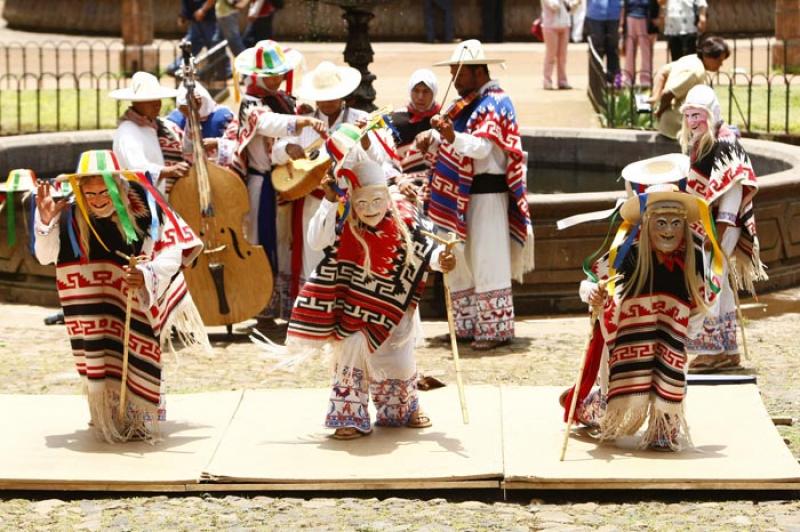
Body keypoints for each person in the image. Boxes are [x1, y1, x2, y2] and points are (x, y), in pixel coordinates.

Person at [258, 159, 455, 440]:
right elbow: (316, 240)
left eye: (377, 200)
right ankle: (349, 414)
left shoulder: (407, 218)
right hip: (353, 310)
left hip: (395, 307)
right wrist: (328, 201)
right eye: (362, 203)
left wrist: (441, 260)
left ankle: (407, 404)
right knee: (350, 353)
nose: (371, 209)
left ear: (387, 196)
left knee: (399, 361)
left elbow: (429, 249)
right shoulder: (344, 220)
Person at [33, 150, 208, 443]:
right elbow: (45, 256)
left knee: (139, 349)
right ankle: (108, 415)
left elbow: (174, 247)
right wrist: (46, 223)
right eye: (90, 194)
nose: (98, 200)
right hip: (93, 299)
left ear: (117, 185)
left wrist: (147, 274)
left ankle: (144, 418)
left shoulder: (144, 204)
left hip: (137, 294)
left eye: (104, 192)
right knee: (100, 352)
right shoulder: (67, 214)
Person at [562, 175, 721, 451]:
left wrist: (683, 332)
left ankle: (663, 420)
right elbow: (588, 283)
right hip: (626, 345)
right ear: (647, 224)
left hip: (669, 345)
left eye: (675, 223)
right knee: (606, 418)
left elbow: (703, 299)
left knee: (664, 438)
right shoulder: (627, 253)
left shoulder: (692, 254)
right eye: (661, 223)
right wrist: (594, 294)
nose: (669, 231)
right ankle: (585, 405)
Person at [418, 39, 534, 351]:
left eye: (459, 74)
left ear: (477, 70)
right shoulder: (469, 103)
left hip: (486, 193)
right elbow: (456, 141)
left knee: (487, 258)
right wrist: (433, 138)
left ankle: (495, 329)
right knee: (461, 260)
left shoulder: (496, 102)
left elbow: (482, 148)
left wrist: (450, 135)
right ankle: (466, 325)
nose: (454, 81)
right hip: (463, 192)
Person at [271, 60, 399, 317]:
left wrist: (363, 141)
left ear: (343, 95)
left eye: (332, 97)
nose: (327, 103)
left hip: (353, 204)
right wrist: (288, 149)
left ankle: (349, 313)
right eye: (322, 98)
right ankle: (313, 315)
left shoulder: (360, 120)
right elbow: (275, 152)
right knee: (314, 252)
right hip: (314, 199)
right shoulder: (305, 122)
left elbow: (381, 160)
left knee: (350, 256)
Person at [221, 40, 327, 325]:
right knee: (259, 240)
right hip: (260, 184)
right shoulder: (251, 103)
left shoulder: (285, 100)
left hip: (288, 182)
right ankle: (261, 303)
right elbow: (267, 124)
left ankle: (285, 303)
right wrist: (301, 123)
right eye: (272, 73)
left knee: (285, 242)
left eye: (280, 72)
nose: (277, 78)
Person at [679, 84, 767, 371]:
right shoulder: (704, 142)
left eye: (698, 115)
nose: (693, 121)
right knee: (721, 282)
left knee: (710, 279)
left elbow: (734, 187)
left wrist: (720, 230)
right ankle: (729, 348)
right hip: (713, 224)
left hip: (723, 224)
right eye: (689, 115)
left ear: (711, 113)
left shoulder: (725, 143)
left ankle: (711, 349)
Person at [111, 72, 191, 196]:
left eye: (158, 98)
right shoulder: (127, 132)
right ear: (135, 102)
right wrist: (169, 171)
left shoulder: (163, 125)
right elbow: (137, 168)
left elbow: (187, 147)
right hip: (141, 202)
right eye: (149, 100)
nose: (157, 104)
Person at [649, 35, 729, 139]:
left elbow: (662, 72)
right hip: (678, 127)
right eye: (719, 60)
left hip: (675, 124)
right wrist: (659, 111)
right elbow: (668, 94)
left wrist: (655, 96)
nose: (721, 65)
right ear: (708, 56)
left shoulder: (690, 59)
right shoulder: (695, 72)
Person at [387, 69, 441, 184]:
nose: (420, 97)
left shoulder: (442, 120)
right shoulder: (395, 120)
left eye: (426, 91)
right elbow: (386, 160)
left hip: (435, 182)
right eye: (416, 91)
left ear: (434, 93)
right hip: (403, 183)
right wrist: (399, 180)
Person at [166, 0, 229, 77]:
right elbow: (186, 4)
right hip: (195, 21)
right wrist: (183, 16)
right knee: (189, 46)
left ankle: (224, 71)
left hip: (210, 21)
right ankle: (177, 67)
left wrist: (203, 10)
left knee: (215, 47)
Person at [620, 0, 660, 87]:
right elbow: (624, 6)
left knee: (646, 52)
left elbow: (655, 4)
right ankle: (628, 78)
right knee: (629, 51)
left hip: (645, 19)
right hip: (630, 18)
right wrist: (621, 24)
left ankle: (645, 79)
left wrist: (655, 20)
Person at [541, 0, 578, 90]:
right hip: (550, 26)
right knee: (551, 54)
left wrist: (576, 3)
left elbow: (571, 9)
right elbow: (554, 6)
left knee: (562, 56)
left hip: (565, 25)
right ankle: (547, 80)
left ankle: (562, 81)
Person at [585, 0, 622, 83]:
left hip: (615, 14)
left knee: (613, 50)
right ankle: (595, 84)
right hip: (595, 15)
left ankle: (615, 83)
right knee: (596, 52)